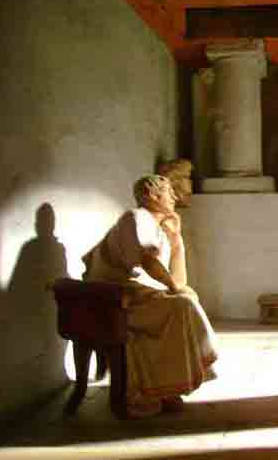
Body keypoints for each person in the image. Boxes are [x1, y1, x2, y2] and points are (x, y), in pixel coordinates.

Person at [83, 174, 217, 418]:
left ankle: (167, 387)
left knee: (187, 298)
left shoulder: (158, 229)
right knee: (181, 305)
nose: (175, 196)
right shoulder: (136, 217)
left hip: (136, 296)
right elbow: (147, 261)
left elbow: (179, 280)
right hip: (115, 299)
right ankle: (160, 390)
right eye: (169, 191)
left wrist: (176, 241)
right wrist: (174, 289)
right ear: (152, 196)